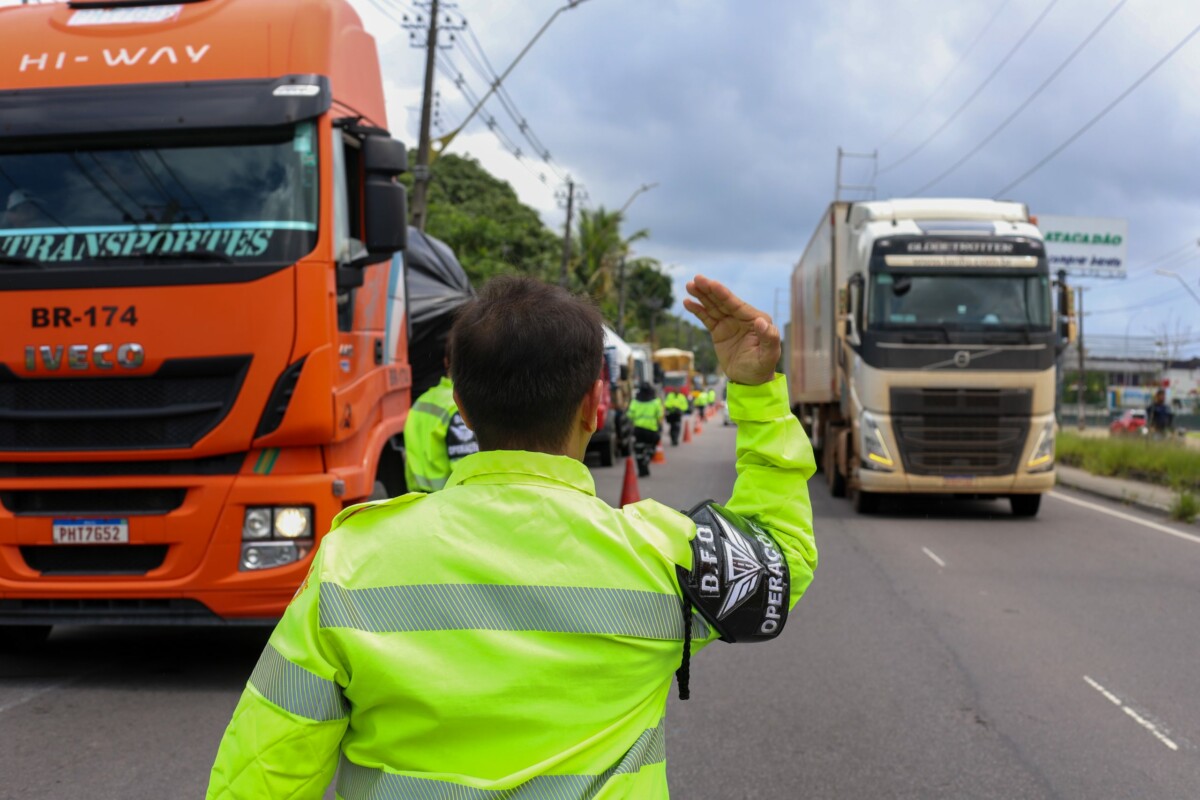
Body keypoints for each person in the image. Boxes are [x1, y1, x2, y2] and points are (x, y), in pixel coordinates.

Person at [206, 274, 817, 799]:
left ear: (463, 410)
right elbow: (782, 560)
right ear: (593, 406)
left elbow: (265, 769)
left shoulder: (352, 559)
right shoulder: (662, 555)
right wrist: (759, 396)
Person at [403, 355, 479, 492]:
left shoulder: (421, 401)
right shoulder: (459, 406)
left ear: (446, 361)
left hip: (417, 502)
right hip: (449, 502)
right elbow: (467, 477)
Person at [628, 381, 664, 476]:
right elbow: (659, 416)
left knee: (639, 450)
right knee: (651, 447)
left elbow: (630, 415)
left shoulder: (635, 401)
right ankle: (647, 459)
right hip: (651, 430)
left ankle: (642, 470)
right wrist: (659, 427)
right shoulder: (656, 402)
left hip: (638, 430)